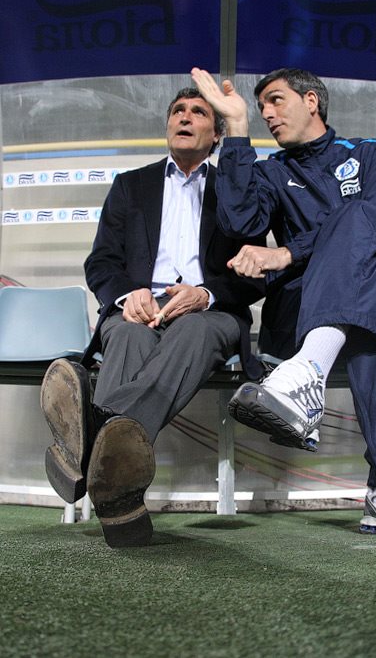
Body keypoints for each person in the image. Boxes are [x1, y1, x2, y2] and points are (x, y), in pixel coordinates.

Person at [191, 66, 376, 538]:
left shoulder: (369, 152)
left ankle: (309, 375)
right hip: (299, 312)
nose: (267, 114)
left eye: (276, 100)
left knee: (363, 229)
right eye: (260, 108)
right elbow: (239, 223)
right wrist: (236, 128)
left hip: (360, 309)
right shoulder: (272, 171)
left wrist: (287, 252)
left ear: (312, 101)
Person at [41, 87, 265, 548]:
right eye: (177, 111)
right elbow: (101, 262)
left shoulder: (236, 190)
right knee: (127, 337)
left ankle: (90, 436)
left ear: (217, 134)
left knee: (195, 331)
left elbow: (255, 274)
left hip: (210, 311)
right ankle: (120, 503)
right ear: (168, 126)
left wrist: (205, 294)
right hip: (138, 309)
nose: (185, 117)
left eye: (198, 112)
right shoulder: (131, 185)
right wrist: (128, 294)